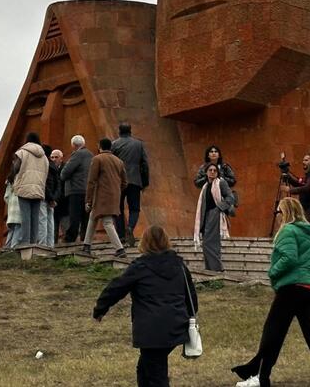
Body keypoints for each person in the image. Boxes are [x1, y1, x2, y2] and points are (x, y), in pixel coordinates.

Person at [232, 197, 310, 387]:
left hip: (291, 289)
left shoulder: (287, 230)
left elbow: (289, 258)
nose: (277, 216)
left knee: (272, 334)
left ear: (285, 212)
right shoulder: (309, 233)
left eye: (278, 212)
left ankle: (260, 378)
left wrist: (272, 272)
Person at [93, 225, 198, 387]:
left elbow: (116, 288)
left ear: (145, 242)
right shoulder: (179, 266)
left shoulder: (140, 267)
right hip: (176, 327)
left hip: (151, 331)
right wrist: (188, 317)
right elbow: (191, 297)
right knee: (145, 368)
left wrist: (100, 309)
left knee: (156, 374)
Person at [83, 139, 128, 257]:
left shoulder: (97, 159)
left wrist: (88, 199)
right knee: (93, 217)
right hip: (114, 195)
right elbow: (124, 182)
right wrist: (116, 190)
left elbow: (91, 181)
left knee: (107, 222)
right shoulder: (119, 161)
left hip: (101, 196)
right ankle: (86, 245)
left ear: (99, 146)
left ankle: (120, 249)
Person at [111, 122, 150, 246]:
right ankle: (130, 228)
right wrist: (144, 182)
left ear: (119, 131)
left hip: (119, 181)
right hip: (135, 180)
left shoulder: (114, 144)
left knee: (118, 208)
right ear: (130, 131)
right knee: (134, 208)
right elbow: (144, 164)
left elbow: (111, 164)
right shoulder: (138, 144)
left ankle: (121, 235)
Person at [8, 133, 49, 246]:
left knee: (25, 216)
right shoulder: (44, 157)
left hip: (24, 187)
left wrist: (10, 178)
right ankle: (33, 242)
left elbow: (15, 168)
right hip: (38, 188)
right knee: (35, 217)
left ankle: (25, 242)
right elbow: (46, 173)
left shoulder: (21, 153)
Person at [193, 163, 235, 272]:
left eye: (214, 170)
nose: (212, 172)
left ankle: (216, 270)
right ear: (206, 172)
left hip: (215, 215)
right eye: (210, 170)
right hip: (206, 217)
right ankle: (211, 270)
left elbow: (231, 197)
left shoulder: (221, 183)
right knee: (207, 243)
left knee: (210, 243)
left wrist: (219, 208)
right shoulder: (205, 186)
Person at [60, 135, 93, 244]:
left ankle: (70, 238)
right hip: (88, 190)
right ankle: (86, 239)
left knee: (74, 216)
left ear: (73, 145)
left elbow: (64, 173)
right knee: (86, 217)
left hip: (76, 190)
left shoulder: (77, 155)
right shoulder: (91, 155)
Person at [280, 152, 310, 227]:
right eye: (303, 160)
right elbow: (298, 183)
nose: (303, 162)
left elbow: (306, 188)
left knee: (309, 230)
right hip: (305, 207)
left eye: (306, 160)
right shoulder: (308, 176)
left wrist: (290, 190)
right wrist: (287, 175)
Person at [42, 144, 61, 248]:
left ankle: (43, 245)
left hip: (46, 197)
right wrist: (54, 198)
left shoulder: (43, 165)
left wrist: (51, 198)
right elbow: (58, 183)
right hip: (51, 198)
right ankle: (50, 245)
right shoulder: (54, 166)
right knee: (50, 222)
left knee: (43, 221)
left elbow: (44, 183)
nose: (54, 159)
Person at [50, 149, 68, 242]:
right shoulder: (49, 169)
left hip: (64, 205)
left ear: (61, 158)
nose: (54, 159)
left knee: (66, 230)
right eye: (52, 157)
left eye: (56, 157)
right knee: (53, 231)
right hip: (53, 205)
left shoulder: (65, 169)